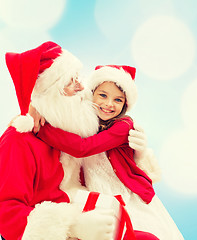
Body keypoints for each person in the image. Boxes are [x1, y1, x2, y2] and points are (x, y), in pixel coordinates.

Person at [0, 41, 158, 240]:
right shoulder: (19, 139)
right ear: (51, 90)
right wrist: (72, 227)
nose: (82, 87)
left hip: (83, 208)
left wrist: (139, 155)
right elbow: (6, 213)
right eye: (71, 81)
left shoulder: (69, 130)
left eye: (78, 77)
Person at [34, 65, 184, 240]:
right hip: (97, 192)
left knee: (139, 231)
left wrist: (42, 129)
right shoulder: (86, 120)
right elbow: (64, 108)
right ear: (91, 94)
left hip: (126, 194)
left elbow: (83, 148)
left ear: (125, 104)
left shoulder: (123, 126)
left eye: (118, 100)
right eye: (103, 95)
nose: (109, 104)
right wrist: (39, 109)